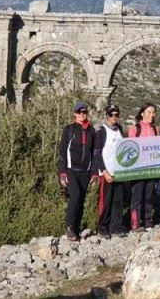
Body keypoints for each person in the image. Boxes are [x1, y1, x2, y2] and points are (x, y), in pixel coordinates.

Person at [57, 102, 96, 242]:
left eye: (84, 112)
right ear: (74, 113)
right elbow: (62, 151)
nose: (82, 115)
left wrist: (94, 173)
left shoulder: (91, 131)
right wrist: (62, 173)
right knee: (75, 196)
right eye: (79, 112)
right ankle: (69, 227)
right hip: (71, 169)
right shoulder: (69, 130)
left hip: (85, 171)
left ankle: (77, 230)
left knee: (81, 200)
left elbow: (94, 153)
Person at [93, 104, 128, 239]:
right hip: (106, 173)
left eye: (116, 115)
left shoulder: (120, 129)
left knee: (118, 201)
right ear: (107, 116)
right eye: (111, 115)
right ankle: (102, 227)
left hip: (118, 172)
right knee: (105, 201)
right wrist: (104, 171)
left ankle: (116, 227)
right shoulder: (101, 132)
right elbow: (97, 154)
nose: (114, 117)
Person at [128, 102, 160, 231]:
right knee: (137, 196)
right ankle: (135, 223)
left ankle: (147, 221)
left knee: (148, 195)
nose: (151, 115)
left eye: (153, 112)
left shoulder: (156, 129)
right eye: (148, 112)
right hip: (138, 167)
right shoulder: (135, 128)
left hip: (151, 167)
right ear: (142, 113)